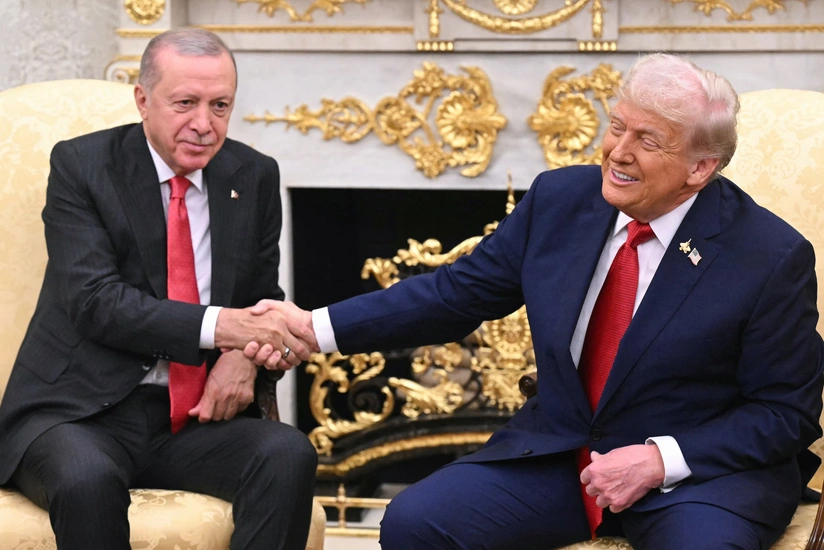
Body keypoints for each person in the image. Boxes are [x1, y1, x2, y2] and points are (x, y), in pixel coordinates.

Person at [249, 53, 824, 549]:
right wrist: (310, 328)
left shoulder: (769, 256)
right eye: (617, 127)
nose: (617, 153)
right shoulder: (560, 200)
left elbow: (785, 412)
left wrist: (659, 459)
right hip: (566, 456)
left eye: (647, 141)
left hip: (699, 477)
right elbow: (454, 294)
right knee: (415, 523)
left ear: (700, 168)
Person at [0, 27, 319, 550]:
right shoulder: (82, 166)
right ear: (143, 100)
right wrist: (225, 329)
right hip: (80, 411)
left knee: (287, 453)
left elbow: (263, 299)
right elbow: (95, 301)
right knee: (87, 480)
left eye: (220, 105)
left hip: (195, 419)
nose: (204, 124)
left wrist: (243, 357)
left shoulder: (253, 174)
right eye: (185, 103)